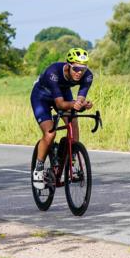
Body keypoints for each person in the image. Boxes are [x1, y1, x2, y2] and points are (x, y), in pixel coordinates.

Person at [30, 48, 94, 187]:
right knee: (50, 134)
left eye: (83, 69)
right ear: (68, 65)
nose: (79, 72)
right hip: (42, 97)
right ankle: (39, 168)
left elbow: (80, 99)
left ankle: (71, 158)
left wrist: (83, 104)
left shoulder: (87, 76)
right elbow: (60, 104)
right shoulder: (53, 72)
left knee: (73, 122)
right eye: (76, 68)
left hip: (63, 93)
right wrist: (75, 104)